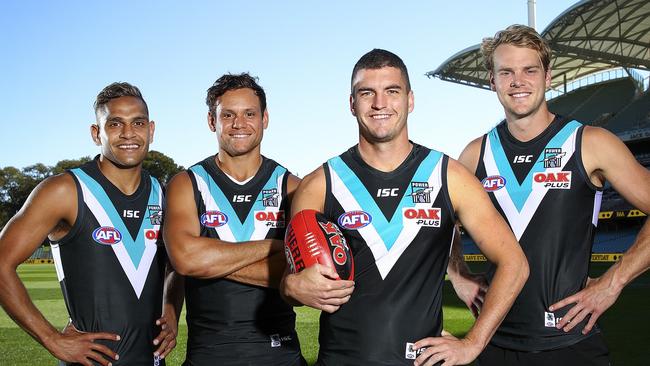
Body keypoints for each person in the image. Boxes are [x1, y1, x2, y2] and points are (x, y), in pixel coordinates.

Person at [280, 48, 529, 366]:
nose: (380, 103)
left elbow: (515, 263)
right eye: (366, 92)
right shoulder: (320, 184)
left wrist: (473, 343)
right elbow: (292, 283)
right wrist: (291, 285)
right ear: (352, 104)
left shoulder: (448, 176)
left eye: (392, 91)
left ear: (410, 100)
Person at [452, 24, 650, 365]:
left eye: (530, 70)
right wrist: (458, 275)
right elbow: (438, 226)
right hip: (493, 343)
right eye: (506, 72)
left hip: (570, 345)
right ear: (492, 81)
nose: (518, 81)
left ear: (547, 77)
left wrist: (612, 283)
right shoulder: (475, 154)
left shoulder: (590, 142)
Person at [0, 82, 183, 365]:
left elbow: (176, 264)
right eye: (114, 124)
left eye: (138, 123)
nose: (128, 134)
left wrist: (171, 309)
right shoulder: (64, 191)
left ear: (151, 130)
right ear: (96, 134)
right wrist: (51, 338)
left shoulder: (163, 193)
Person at [163, 73, 305, 365]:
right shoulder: (186, 184)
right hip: (208, 356)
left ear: (264, 118)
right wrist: (273, 248)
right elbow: (184, 259)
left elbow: (300, 277)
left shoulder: (292, 187)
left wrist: (206, 257)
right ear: (212, 121)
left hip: (281, 355)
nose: (239, 124)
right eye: (228, 115)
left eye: (249, 114)